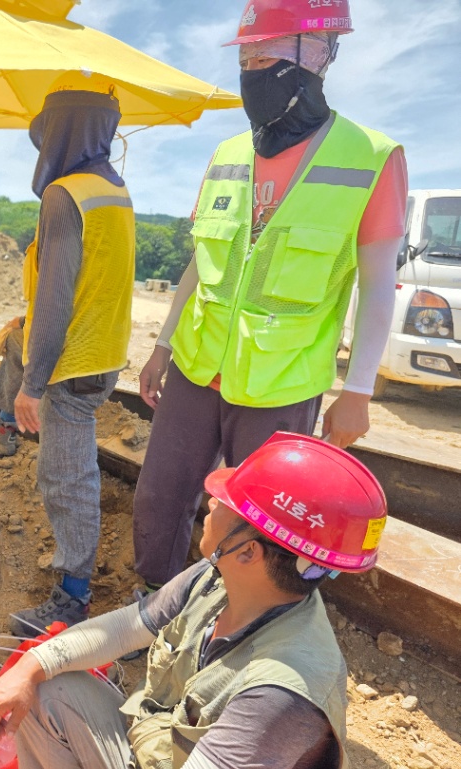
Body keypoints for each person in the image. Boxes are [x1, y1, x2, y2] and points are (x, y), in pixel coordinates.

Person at [132, 0, 408, 593]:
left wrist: (358, 391)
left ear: (319, 54)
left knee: (254, 521)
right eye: (247, 60)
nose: (254, 71)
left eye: (270, 57)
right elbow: (201, 262)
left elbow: (377, 285)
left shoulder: (371, 158)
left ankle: (230, 616)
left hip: (281, 382)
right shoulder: (228, 154)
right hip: (197, 365)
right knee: (159, 496)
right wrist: (162, 344)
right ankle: (154, 600)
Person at [0, 432, 387, 769]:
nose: (212, 502)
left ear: (248, 551)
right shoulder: (217, 577)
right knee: (45, 689)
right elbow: (124, 628)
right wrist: (32, 666)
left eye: (228, 504)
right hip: (159, 748)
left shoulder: (279, 695)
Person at [0, 70, 136, 637]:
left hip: (72, 362)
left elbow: (59, 299)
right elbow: (84, 283)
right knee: (17, 342)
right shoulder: (111, 189)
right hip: (101, 347)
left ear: (59, 131)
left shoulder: (66, 196)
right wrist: (26, 328)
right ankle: (3, 425)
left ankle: (71, 599)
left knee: (65, 476)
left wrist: (33, 387)